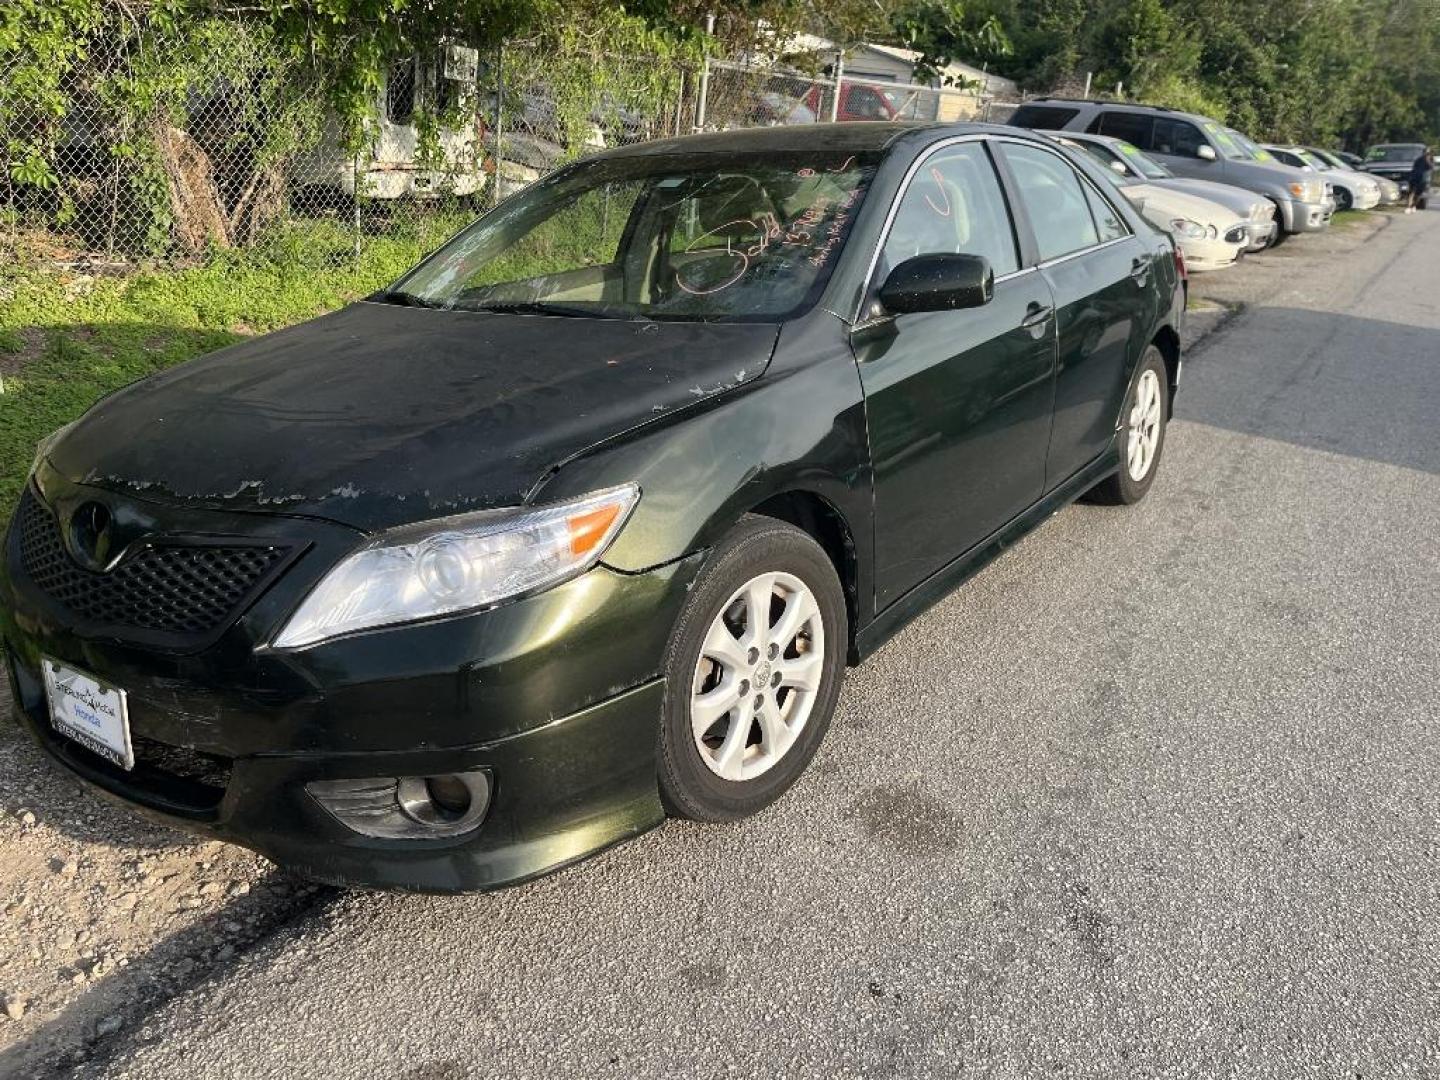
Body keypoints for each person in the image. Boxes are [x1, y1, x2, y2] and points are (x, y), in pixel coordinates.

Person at [1405, 147, 1433, 213]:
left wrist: (1428, 160)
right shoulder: (1418, 159)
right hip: (1415, 178)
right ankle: (1408, 207)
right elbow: (1414, 168)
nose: (1426, 154)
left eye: (1428, 153)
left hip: (1423, 179)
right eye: (1425, 153)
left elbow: (1431, 168)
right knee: (1411, 192)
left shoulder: (1431, 160)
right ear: (1423, 153)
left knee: (1418, 194)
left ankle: (1414, 206)